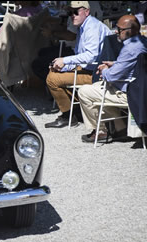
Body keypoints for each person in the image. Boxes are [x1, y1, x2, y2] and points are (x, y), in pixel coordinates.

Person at [78, 15, 147, 143]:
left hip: (129, 93)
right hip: (138, 88)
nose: (116, 31)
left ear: (129, 30)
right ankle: (120, 128)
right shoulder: (142, 42)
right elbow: (131, 63)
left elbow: (111, 76)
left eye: (119, 29)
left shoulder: (130, 48)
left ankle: (100, 131)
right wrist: (114, 64)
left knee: (84, 92)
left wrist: (103, 69)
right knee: (96, 88)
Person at [44, 1, 111, 128]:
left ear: (87, 11)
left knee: (52, 79)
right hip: (90, 68)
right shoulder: (84, 26)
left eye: (76, 11)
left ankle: (68, 115)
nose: (72, 15)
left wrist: (64, 61)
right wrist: (63, 65)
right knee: (54, 71)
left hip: (97, 73)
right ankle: (76, 112)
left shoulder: (91, 27)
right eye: (70, 12)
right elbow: (80, 56)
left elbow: (91, 56)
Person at [0, 1, 43, 69]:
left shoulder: (17, 16)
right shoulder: (40, 9)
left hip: (14, 48)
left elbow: (3, 29)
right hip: (34, 44)